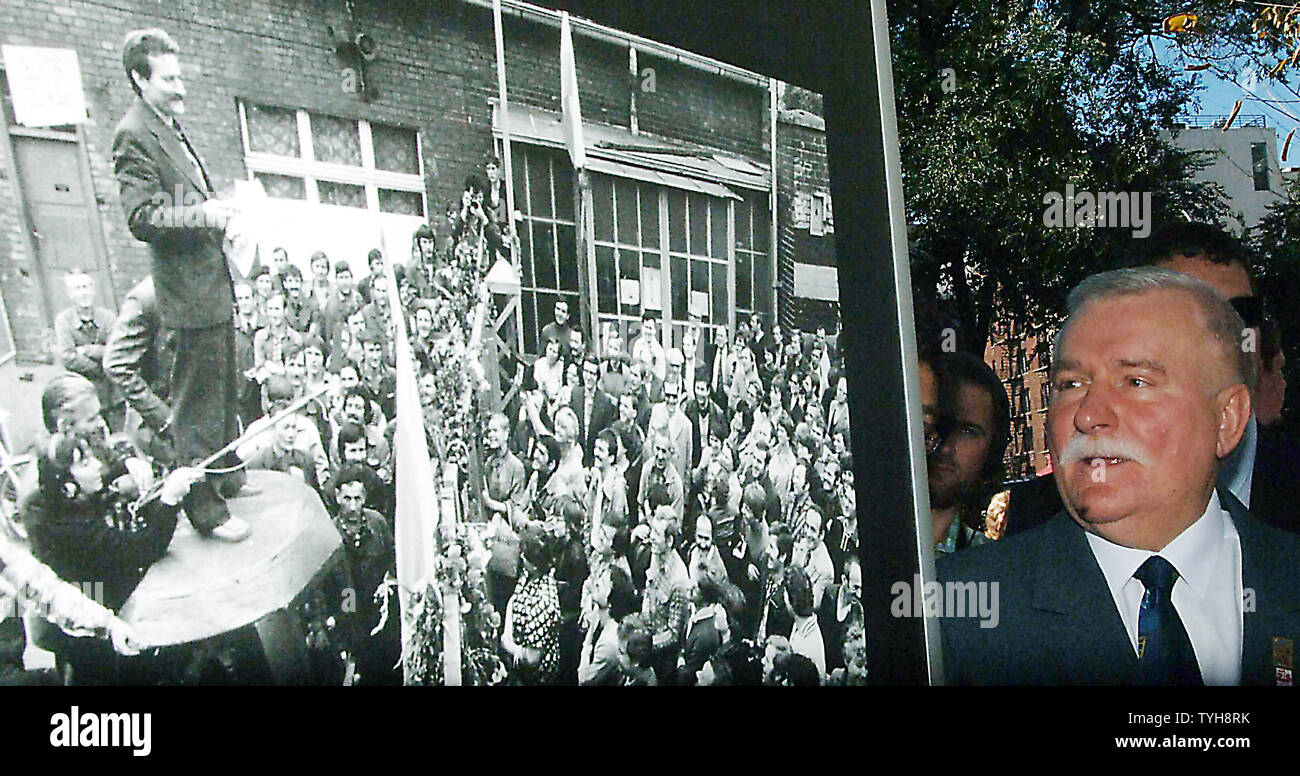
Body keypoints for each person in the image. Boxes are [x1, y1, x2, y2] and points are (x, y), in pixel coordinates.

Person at [939, 267, 1300, 685]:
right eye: (1071, 383)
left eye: (1135, 381)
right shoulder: (953, 618)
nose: (1089, 414)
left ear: (1227, 419)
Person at [112, 29, 248, 542]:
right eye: (168, 78)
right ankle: (206, 513)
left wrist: (220, 211)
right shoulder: (133, 134)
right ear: (139, 79)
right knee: (194, 410)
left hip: (210, 285)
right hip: (187, 294)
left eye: (178, 73)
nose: (179, 84)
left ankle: (227, 476)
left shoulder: (168, 125)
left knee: (224, 392)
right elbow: (141, 217)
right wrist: (206, 216)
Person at [24, 374, 207, 682]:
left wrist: (127, 466)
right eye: (93, 417)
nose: (100, 423)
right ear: (66, 425)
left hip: (99, 581)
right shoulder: (43, 503)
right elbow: (140, 547)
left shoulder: (67, 454)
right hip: (86, 608)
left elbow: (98, 467)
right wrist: (169, 500)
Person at [918, 350, 1010, 554]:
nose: (946, 445)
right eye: (933, 423)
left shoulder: (993, 566)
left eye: (968, 431)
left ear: (992, 451)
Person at [329, 465, 398, 686]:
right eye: (347, 498)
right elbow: (329, 589)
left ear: (365, 497)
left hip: (382, 612)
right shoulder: (330, 536)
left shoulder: (377, 524)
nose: (352, 506)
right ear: (338, 496)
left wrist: (389, 584)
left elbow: (393, 559)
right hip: (350, 614)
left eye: (357, 499)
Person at [103, 276, 175, 460]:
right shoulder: (148, 297)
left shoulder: (205, 281)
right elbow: (117, 364)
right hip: (162, 427)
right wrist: (163, 417)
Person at [54, 271, 122, 430]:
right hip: (84, 392)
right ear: (70, 294)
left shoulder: (108, 317)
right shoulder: (64, 320)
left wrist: (87, 350)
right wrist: (99, 367)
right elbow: (67, 357)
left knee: (119, 433)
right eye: (77, 288)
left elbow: (117, 350)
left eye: (86, 287)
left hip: (113, 390)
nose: (83, 292)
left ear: (93, 291)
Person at [502, 524, 562, 684]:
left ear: (535, 564)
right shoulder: (529, 575)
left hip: (535, 677)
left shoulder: (543, 601)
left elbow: (532, 658)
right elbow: (515, 598)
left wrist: (508, 644)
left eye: (524, 556)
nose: (520, 557)